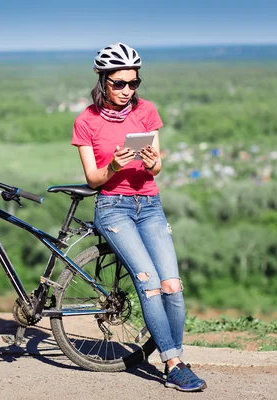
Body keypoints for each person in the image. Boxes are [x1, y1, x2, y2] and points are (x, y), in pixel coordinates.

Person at [71, 42, 207, 392]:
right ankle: (174, 365)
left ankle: (173, 355)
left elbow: (157, 166)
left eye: (134, 83)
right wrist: (115, 164)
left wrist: (151, 162)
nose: (127, 90)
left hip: (149, 205)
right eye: (119, 83)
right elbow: (92, 178)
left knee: (172, 286)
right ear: (103, 81)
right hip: (113, 207)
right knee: (148, 285)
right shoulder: (87, 120)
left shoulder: (146, 111)